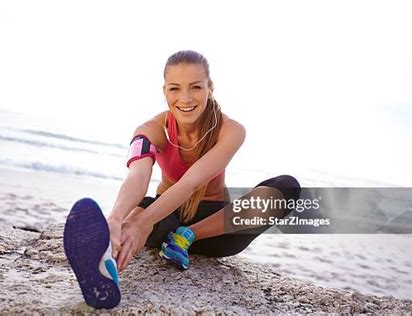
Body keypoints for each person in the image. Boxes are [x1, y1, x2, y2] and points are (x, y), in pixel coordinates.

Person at [63, 50, 301, 309]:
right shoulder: (151, 129)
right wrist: (117, 218)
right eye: (175, 88)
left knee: (287, 186)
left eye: (196, 87)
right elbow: (138, 174)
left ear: (210, 88)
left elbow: (191, 183)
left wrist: (143, 222)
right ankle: (106, 267)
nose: (185, 98)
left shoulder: (231, 130)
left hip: (214, 229)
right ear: (164, 91)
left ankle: (186, 237)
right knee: (135, 218)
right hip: (165, 215)